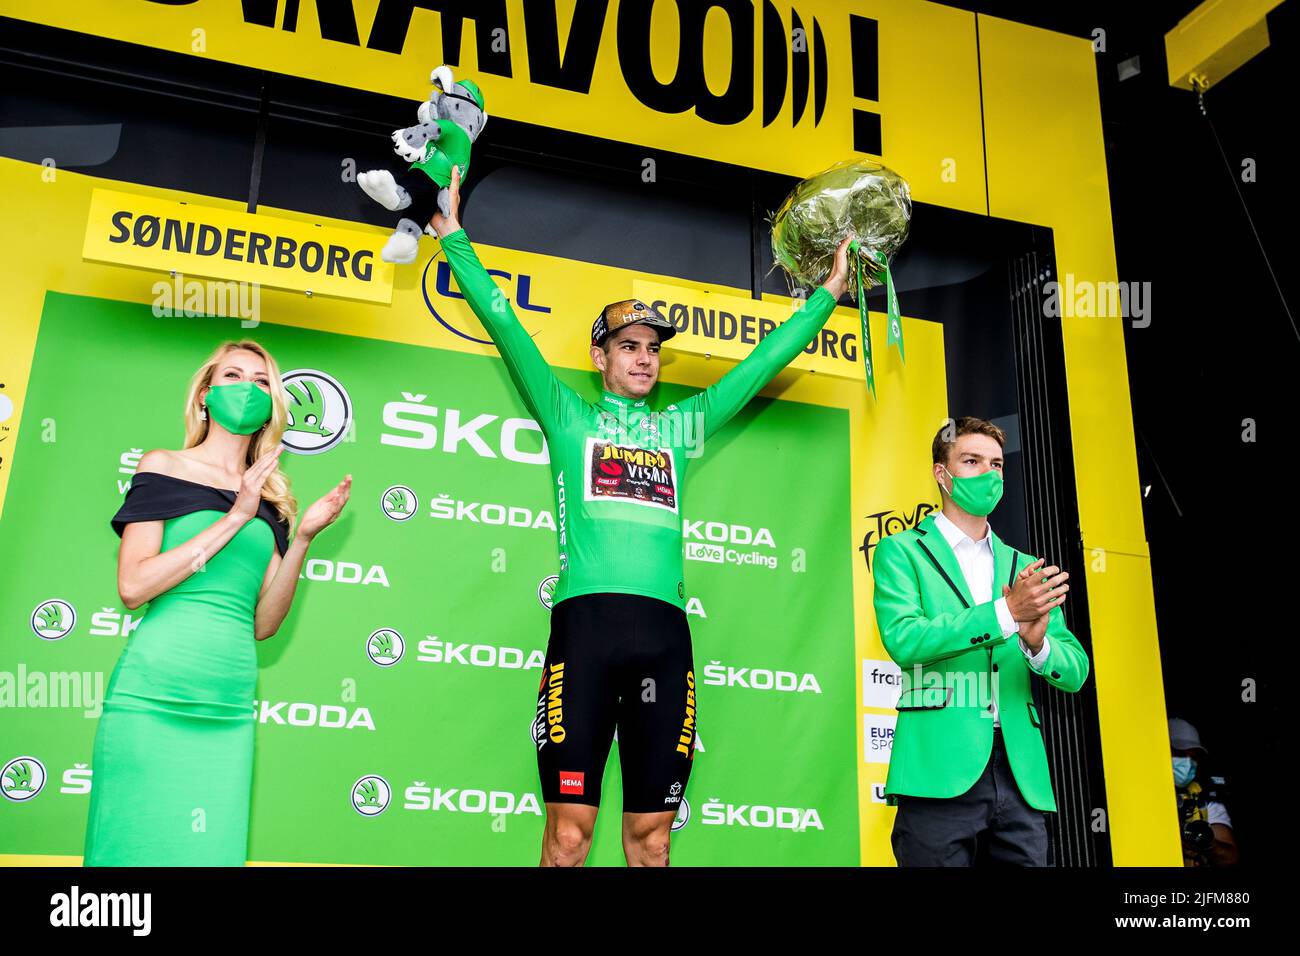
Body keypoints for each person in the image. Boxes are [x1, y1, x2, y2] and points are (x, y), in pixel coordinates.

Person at [428, 165, 852, 866]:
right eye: (629, 346)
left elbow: (763, 360)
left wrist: (829, 292)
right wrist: (454, 237)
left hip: (664, 636)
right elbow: (505, 324)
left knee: (651, 843)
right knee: (568, 837)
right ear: (599, 358)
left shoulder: (683, 428)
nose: (645, 359)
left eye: (654, 349)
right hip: (586, 632)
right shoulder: (567, 416)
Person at [83, 340, 351, 866]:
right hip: (154, 696)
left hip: (227, 706)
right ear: (206, 393)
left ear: (273, 403)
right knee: (129, 856)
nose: (246, 389)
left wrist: (302, 539)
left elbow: (264, 623)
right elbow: (133, 587)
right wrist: (234, 517)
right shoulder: (165, 465)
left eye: (260, 381)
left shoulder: (273, 500)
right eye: (233, 375)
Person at [871, 416, 1091, 866]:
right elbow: (905, 639)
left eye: (996, 464)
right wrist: (1005, 614)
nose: (988, 474)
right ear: (942, 474)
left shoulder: (1025, 566)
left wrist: (1036, 645)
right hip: (938, 769)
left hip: (1019, 772)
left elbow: (1074, 670)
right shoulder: (901, 551)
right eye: (971, 461)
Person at [1169, 716, 1239, 866]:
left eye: (1193, 757)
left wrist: (1204, 843)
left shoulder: (1203, 797)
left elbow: (1230, 857)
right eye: (1180, 754)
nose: (1187, 763)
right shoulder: (1138, 792)